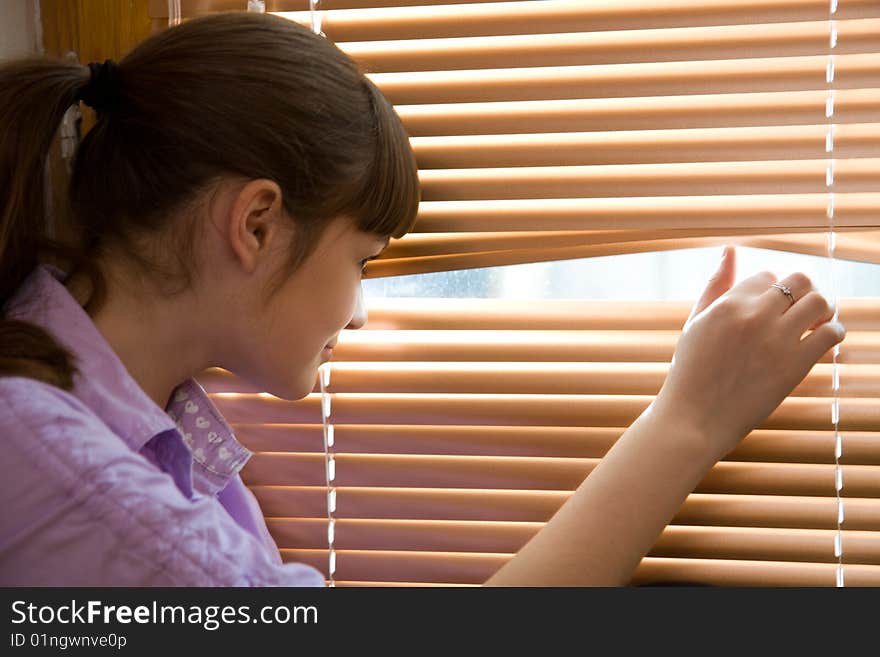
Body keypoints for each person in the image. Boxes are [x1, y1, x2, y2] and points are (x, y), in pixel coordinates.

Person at [0, 13, 845, 586]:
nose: (362, 310)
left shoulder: (147, 432)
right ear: (256, 223)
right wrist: (689, 418)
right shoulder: (67, 471)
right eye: (364, 258)